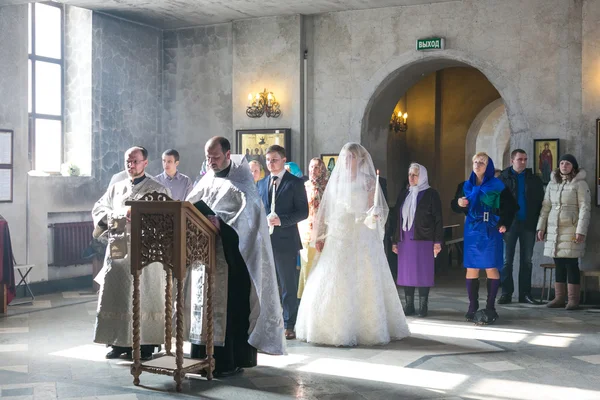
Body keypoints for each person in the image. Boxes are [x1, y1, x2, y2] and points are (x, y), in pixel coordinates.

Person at [185, 137, 285, 376]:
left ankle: (229, 361)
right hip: (204, 257)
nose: (211, 162)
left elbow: (249, 218)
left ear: (228, 154)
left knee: (230, 309)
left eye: (216, 157)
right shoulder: (207, 178)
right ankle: (202, 359)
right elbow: (190, 205)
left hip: (232, 260)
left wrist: (221, 224)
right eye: (208, 157)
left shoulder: (242, 183)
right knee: (204, 306)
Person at [295, 143, 410, 346]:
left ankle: (364, 327)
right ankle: (329, 326)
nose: (347, 161)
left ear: (360, 160)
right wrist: (320, 235)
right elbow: (326, 210)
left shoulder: (368, 181)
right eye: (345, 157)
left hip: (360, 231)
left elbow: (374, 208)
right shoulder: (335, 181)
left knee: (365, 275)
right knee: (334, 274)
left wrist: (372, 214)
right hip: (339, 233)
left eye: (352, 157)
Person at [92, 146, 170, 360]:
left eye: (135, 161)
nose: (131, 165)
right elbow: (99, 209)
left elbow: (166, 222)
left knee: (143, 296)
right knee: (118, 296)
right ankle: (118, 342)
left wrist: (140, 217)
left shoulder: (158, 189)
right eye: (128, 161)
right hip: (118, 252)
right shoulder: (116, 188)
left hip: (146, 253)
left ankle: (145, 343)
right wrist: (118, 214)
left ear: (145, 163)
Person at [451, 152, 518, 325]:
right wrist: (459, 204)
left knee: (491, 267)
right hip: (472, 230)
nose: (477, 164)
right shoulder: (465, 185)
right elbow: (454, 205)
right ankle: (472, 306)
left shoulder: (498, 185)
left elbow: (511, 206)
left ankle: (490, 306)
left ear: (488, 166)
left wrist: (504, 223)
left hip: (491, 229)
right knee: (472, 268)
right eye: (475, 161)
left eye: (482, 162)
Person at [257, 145, 309, 340]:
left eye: (275, 160)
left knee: (288, 283)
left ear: (283, 160)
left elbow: (303, 211)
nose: (270, 163)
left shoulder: (294, 183)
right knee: (268, 283)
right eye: (268, 160)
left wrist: (282, 220)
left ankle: (289, 324)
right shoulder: (261, 183)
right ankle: (270, 321)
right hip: (265, 240)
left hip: (286, 240)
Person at [536, 154, 591, 310]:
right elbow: (546, 207)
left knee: (571, 263)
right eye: (561, 163)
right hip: (554, 229)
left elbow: (585, 208)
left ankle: (573, 300)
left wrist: (581, 230)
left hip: (572, 228)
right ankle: (559, 298)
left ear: (573, 166)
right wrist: (541, 227)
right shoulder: (552, 184)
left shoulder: (580, 184)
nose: (564, 166)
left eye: (567, 163)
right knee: (558, 263)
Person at [391, 163, 443, 318]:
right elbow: (396, 218)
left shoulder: (431, 194)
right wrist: (395, 240)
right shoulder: (404, 194)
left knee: (423, 272)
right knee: (406, 273)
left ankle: (423, 306)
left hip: (424, 239)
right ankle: (409, 305)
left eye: (415, 175)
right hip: (405, 240)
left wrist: (438, 241)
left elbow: (438, 219)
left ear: (422, 176)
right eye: (409, 175)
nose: (411, 178)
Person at [497, 149, 544, 305]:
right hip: (509, 225)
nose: (523, 162)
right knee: (506, 261)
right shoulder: (502, 178)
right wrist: (501, 222)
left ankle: (525, 294)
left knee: (527, 260)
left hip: (528, 223)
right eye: (519, 159)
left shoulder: (534, 179)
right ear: (512, 161)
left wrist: (539, 226)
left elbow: (540, 203)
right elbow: (497, 203)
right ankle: (506, 293)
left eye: (525, 159)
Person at [297, 157, 328, 298]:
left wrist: (322, 234)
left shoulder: (327, 187)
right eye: (310, 167)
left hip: (324, 234)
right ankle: (305, 301)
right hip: (305, 232)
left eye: (316, 167)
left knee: (321, 268)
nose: (313, 170)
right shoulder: (305, 186)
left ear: (322, 170)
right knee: (306, 266)